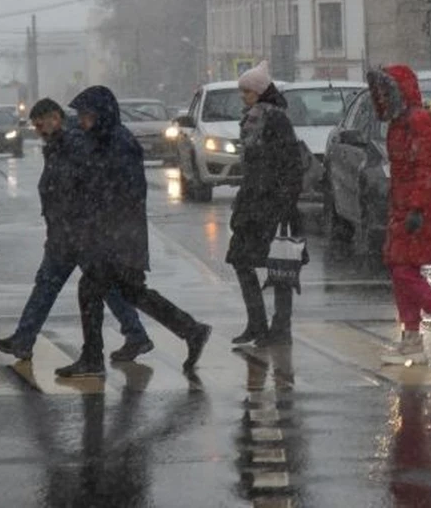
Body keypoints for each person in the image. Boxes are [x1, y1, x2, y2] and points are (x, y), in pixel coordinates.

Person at [55, 86, 211, 378]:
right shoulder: (101, 140)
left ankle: (92, 359)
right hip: (114, 235)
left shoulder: (119, 143)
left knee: (91, 289)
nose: (83, 122)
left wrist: (100, 216)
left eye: (86, 116)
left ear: (101, 115)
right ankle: (191, 330)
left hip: (119, 237)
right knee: (132, 291)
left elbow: (125, 192)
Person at [0, 98, 153, 362]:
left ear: (55, 118)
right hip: (68, 232)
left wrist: (74, 222)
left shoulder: (73, 144)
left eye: (42, 124)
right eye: (36, 127)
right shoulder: (59, 144)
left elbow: (78, 187)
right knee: (61, 285)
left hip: (77, 233)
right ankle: (24, 339)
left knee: (83, 286)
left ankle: (139, 335)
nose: (39, 131)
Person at [367, 65, 431, 364]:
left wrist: (415, 208)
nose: (383, 99)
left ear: (400, 91)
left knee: (403, 270)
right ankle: (411, 339)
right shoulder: (399, 123)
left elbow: (424, 169)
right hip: (404, 203)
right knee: (401, 271)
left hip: (419, 206)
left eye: (387, 92)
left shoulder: (417, 121)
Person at [226, 61, 304, 347]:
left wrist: (284, 200)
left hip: (273, 205)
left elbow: (291, 164)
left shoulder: (276, 120)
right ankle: (257, 324)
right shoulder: (251, 118)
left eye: (246, 91)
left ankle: (279, 327)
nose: (242, 96)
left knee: (280, 266)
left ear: (259, 92)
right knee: (241, 260)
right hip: (252, 203)